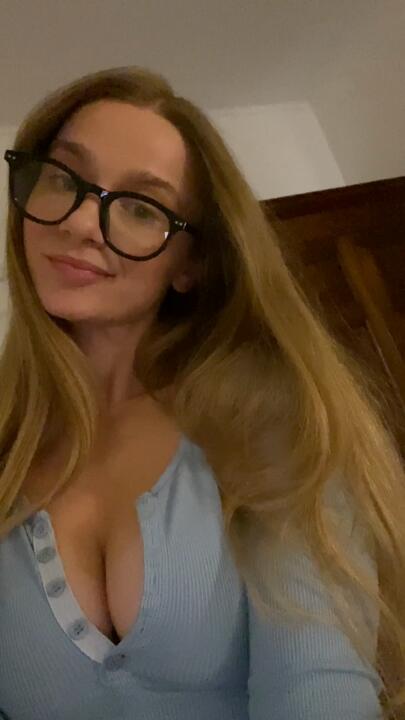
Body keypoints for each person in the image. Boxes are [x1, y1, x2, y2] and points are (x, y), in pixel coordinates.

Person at [0, 66, 404, 720]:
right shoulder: (6, 449)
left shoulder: (271, 425)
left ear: (190, 263)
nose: (81, 221)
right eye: (63, 178)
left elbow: (317, 689)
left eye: (140, 207)